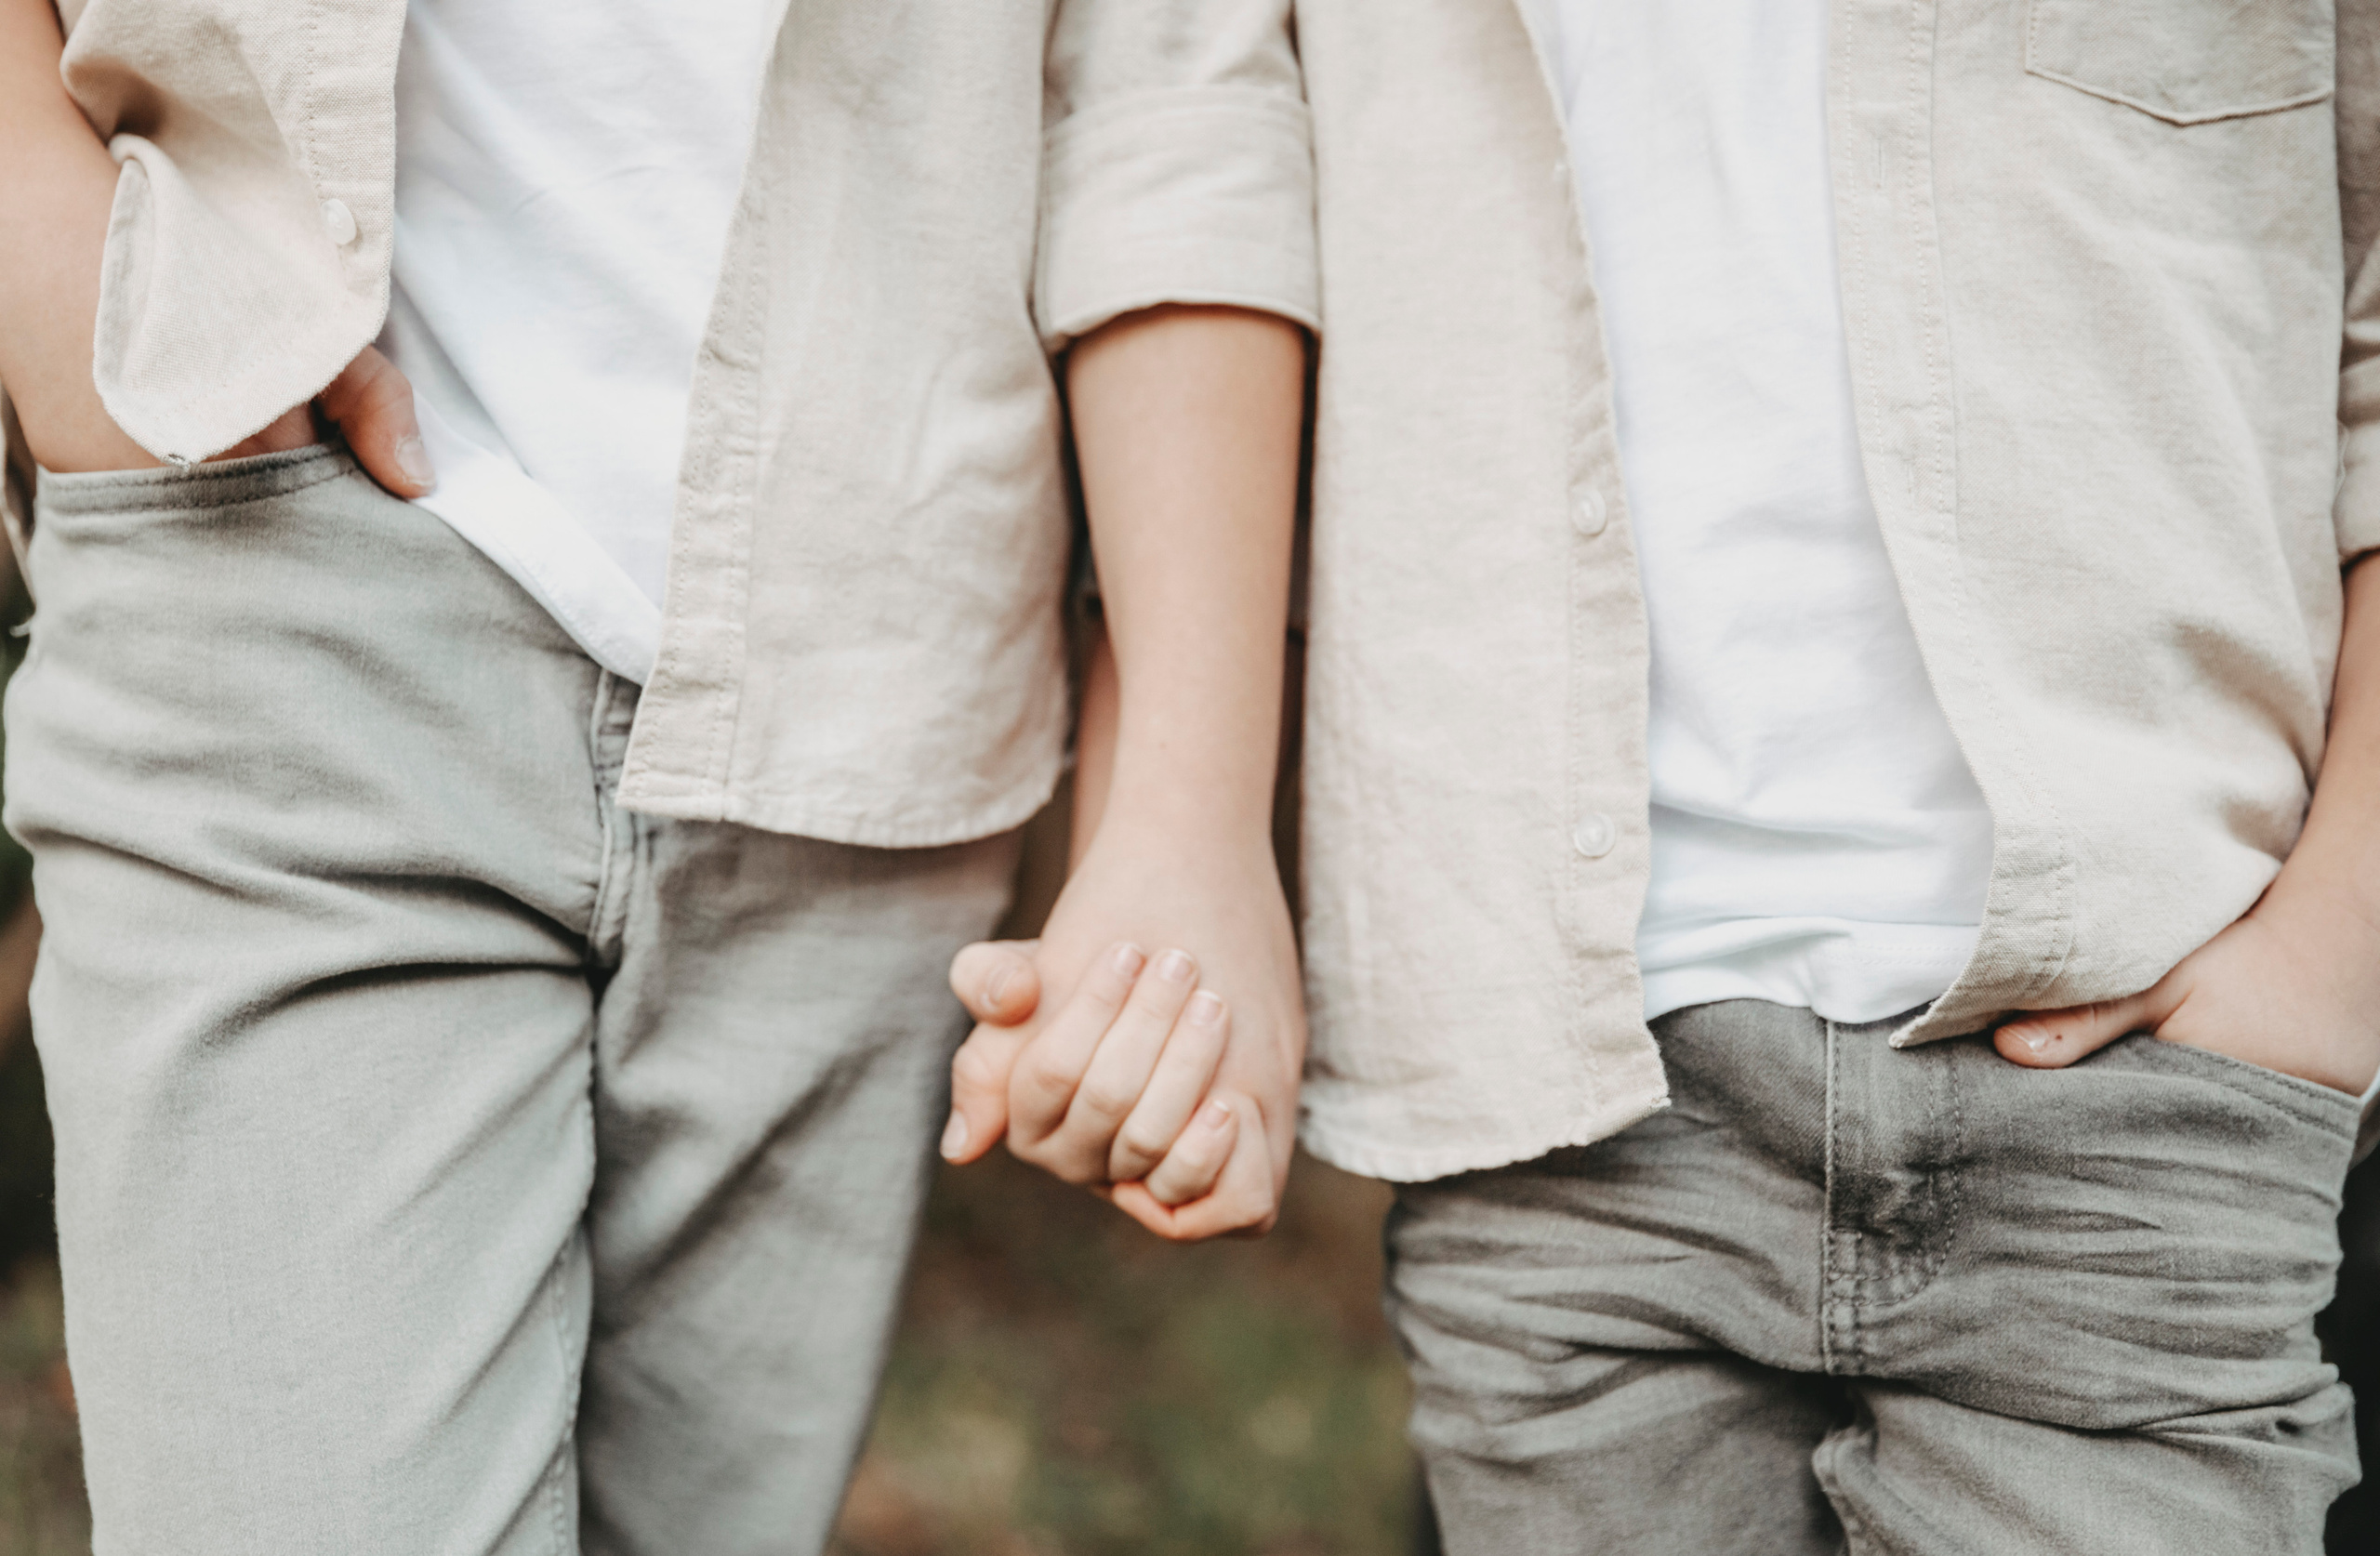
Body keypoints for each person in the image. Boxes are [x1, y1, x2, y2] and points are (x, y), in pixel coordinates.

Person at [956, 2, 2380, 1549]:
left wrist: (2337, 946)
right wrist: (1181, 816)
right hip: (1561, 1084)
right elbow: (1184, 134)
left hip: (2139, 1052)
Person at [0, 0, 1315, 1550]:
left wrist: (1192, 803)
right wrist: (67, 269)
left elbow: (1170, 82)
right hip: (277, 559)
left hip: (869, 656)